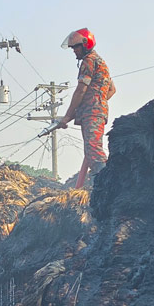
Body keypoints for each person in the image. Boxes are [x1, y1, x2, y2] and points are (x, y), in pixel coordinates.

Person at [55, 28, 116, 189]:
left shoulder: (88, 61)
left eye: (76, 47)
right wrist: (96, 102)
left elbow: (81, 90)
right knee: (91, 150)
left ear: (85, 44)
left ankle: (104, 189)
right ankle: (100, 186)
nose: (74, 51)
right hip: (97, 111)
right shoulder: (101, 62)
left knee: (94, 152)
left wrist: (67, 116)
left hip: (93, 114)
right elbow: (111, 90)